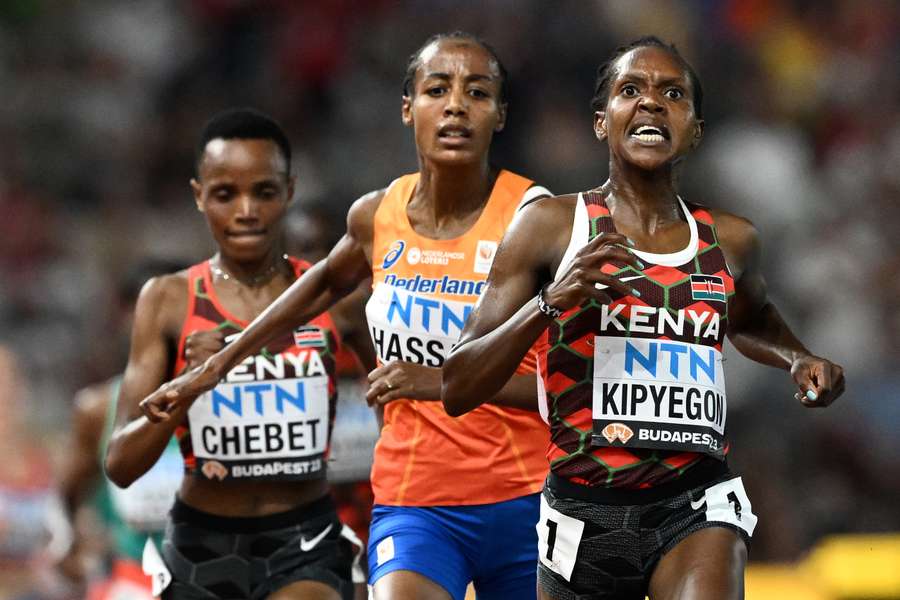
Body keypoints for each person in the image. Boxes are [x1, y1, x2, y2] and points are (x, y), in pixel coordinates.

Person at [139, 32, 553, 600]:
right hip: (415, 501)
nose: (456, 104)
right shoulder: (377, 216)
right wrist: (218, 365)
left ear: (499, 114)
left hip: (524, 496)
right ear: (408, 108)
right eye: (437, 89)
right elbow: (319, 285)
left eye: (477, 93)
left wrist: (434, 382)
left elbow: (571, 386)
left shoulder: (537, 221)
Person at [442, 36, 845, 600]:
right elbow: (458, 383)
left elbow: (750, 317)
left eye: (672, 93)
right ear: (602, 121)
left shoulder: (730, 240)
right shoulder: (550, 227)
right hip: (583, 512)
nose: (651, 102)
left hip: (696, 503)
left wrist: (798, 356)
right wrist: (550, 302)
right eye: (631, 90)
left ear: (695, 129)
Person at [105, 108, 367, 600]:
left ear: (289, 191)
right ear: (199, 196)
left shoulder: (332, 295)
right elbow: (121, 463)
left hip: (307, 539)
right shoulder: (167, 300)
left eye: (264, 192)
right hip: (200, 545)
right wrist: (186, 382)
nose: (246, 210)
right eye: (226, 194)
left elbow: (403, 413)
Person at [51, 260, 185, 600]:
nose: (163, 323)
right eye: (149, 310)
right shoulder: (98, 410)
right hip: (134, 581)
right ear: (126, 317)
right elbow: (68, 493)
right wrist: (68, 542)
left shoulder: (226, 401)